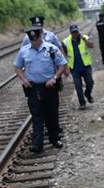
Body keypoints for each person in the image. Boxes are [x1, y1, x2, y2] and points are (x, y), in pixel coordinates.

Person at [13, 24, 67, 153]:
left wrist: (55, 77)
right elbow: (17, 67)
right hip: (33, 88)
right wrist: (24, 80)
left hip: (49, 87)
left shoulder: (52, 49)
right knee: (36, 115)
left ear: (41, 35)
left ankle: (55, 139)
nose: (34, 41)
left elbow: (62, 64)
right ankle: (37, 144)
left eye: (36, 39)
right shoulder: (24, 51)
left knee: (51, 114)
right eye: (32, 39)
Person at [62, 23, 95, 109]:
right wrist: (65, 67)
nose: (75, 33)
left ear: (78, 31)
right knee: (78, 86)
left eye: (76, 32)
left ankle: (87, 94)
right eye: (73, 32)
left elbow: (92, 45)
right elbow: (63, 55)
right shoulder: (65, 42)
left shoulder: (85, 38)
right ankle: (82, 103)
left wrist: (83, 38)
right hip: (74, 68)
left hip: (86, 66)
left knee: (90, 82)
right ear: (70, 33)